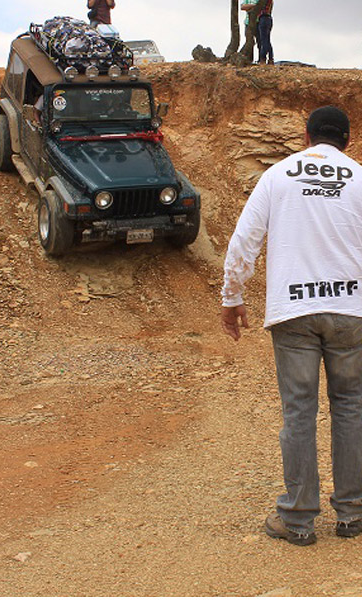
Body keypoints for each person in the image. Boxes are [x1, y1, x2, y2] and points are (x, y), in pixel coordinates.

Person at [221, 106, 362, 546]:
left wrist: (232, 297)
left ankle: (299, 519)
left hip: (294, 311)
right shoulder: (359, 177)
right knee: (351, 407)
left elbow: (245, 240)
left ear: (305, 136)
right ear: (347, 140)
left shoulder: (278, 176)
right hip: (351, 310)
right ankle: (353, 513)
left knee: (299, 411)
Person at [258, 0, 274, 64]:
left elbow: (259, 6)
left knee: (264, 40)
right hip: (268, 18)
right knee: (267, 39)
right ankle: (270, 58)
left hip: (264, 17)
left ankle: (263, 58)